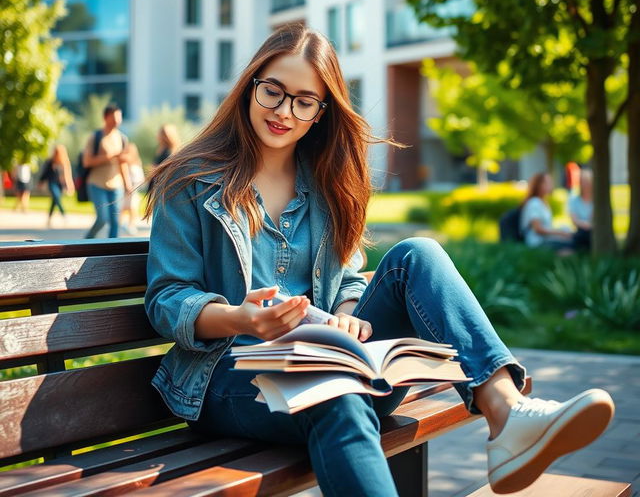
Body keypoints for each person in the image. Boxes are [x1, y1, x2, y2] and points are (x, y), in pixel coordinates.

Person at [144, 25, 613, 496]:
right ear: (251, 86)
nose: (285, 111)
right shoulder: (192, 179)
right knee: (338, 395)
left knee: (417, 254)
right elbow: (167, 298)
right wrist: (240, 318)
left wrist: (347, 317)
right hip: (229, 375)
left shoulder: (325, 182)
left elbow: (346, 279)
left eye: (305, 101)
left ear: (320, 114)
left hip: (328, 359)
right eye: (273, 91)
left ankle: (507, 412)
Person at [83, 103, 131, 239]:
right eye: (114, 117)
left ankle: (112, 250)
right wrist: (110, 156)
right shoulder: (96, 137)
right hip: (97, 184)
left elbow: (123, 164)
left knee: (116, 222)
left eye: (119, 117)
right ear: (106, 117)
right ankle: (87, 241)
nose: (117, 121)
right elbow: (87, 161)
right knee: (102, 218)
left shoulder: (122, 138)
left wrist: (127, 184)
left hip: (116, 185)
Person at [519, 172, 575, 252]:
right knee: (570, 245)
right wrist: (560, 233)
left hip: (545, 239)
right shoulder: (534, 203)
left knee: (567, 232)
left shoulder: (544, 202)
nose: (551, 185)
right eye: (547, 183)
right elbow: (538, 229)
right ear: (539, 185)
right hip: (537, 242)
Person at [39, 145, 74, 226]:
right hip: (52, 183)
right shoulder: (50, 161)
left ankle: (49, 218)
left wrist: (69, 185)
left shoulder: (65, 161)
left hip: (60, 184)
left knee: (55, 201)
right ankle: (64, 214)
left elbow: (67, 175)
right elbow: (45, 173)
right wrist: (41, 181)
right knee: (57, 197)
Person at [120, 142, 145, 234]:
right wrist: (127, 185)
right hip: (128, 188)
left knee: (132, 207)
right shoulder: (126, 162)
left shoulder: (137, 162)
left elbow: (140, 174)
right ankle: (121, 223)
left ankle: (131, 224)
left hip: (135, 187)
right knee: (125, 207)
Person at [568, 167, 593, 251]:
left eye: (588, 182)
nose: (586, 184)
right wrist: (585, 225)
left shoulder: (596, 201)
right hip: (581, 231)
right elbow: (574, 220)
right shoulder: (574, 200)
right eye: (583, 182)